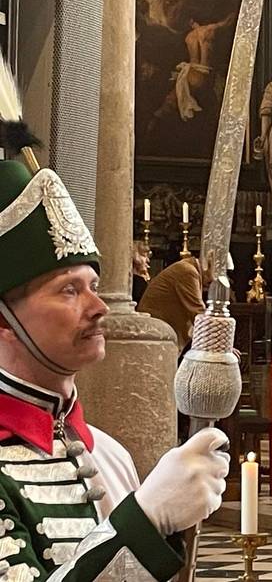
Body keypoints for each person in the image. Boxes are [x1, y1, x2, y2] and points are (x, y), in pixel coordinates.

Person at [0, 159, 228, 580]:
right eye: (69, 290)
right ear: (4, 321)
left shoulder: (109, 453)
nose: (99, 307)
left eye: (94, 286)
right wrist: (145, 522)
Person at [137, 255, 210, 351]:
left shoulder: (189, 269)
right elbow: (198, 313)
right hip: (155, 337)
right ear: (209, 265)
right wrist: (220, 340)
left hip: (161, 336)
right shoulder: (188, 271)